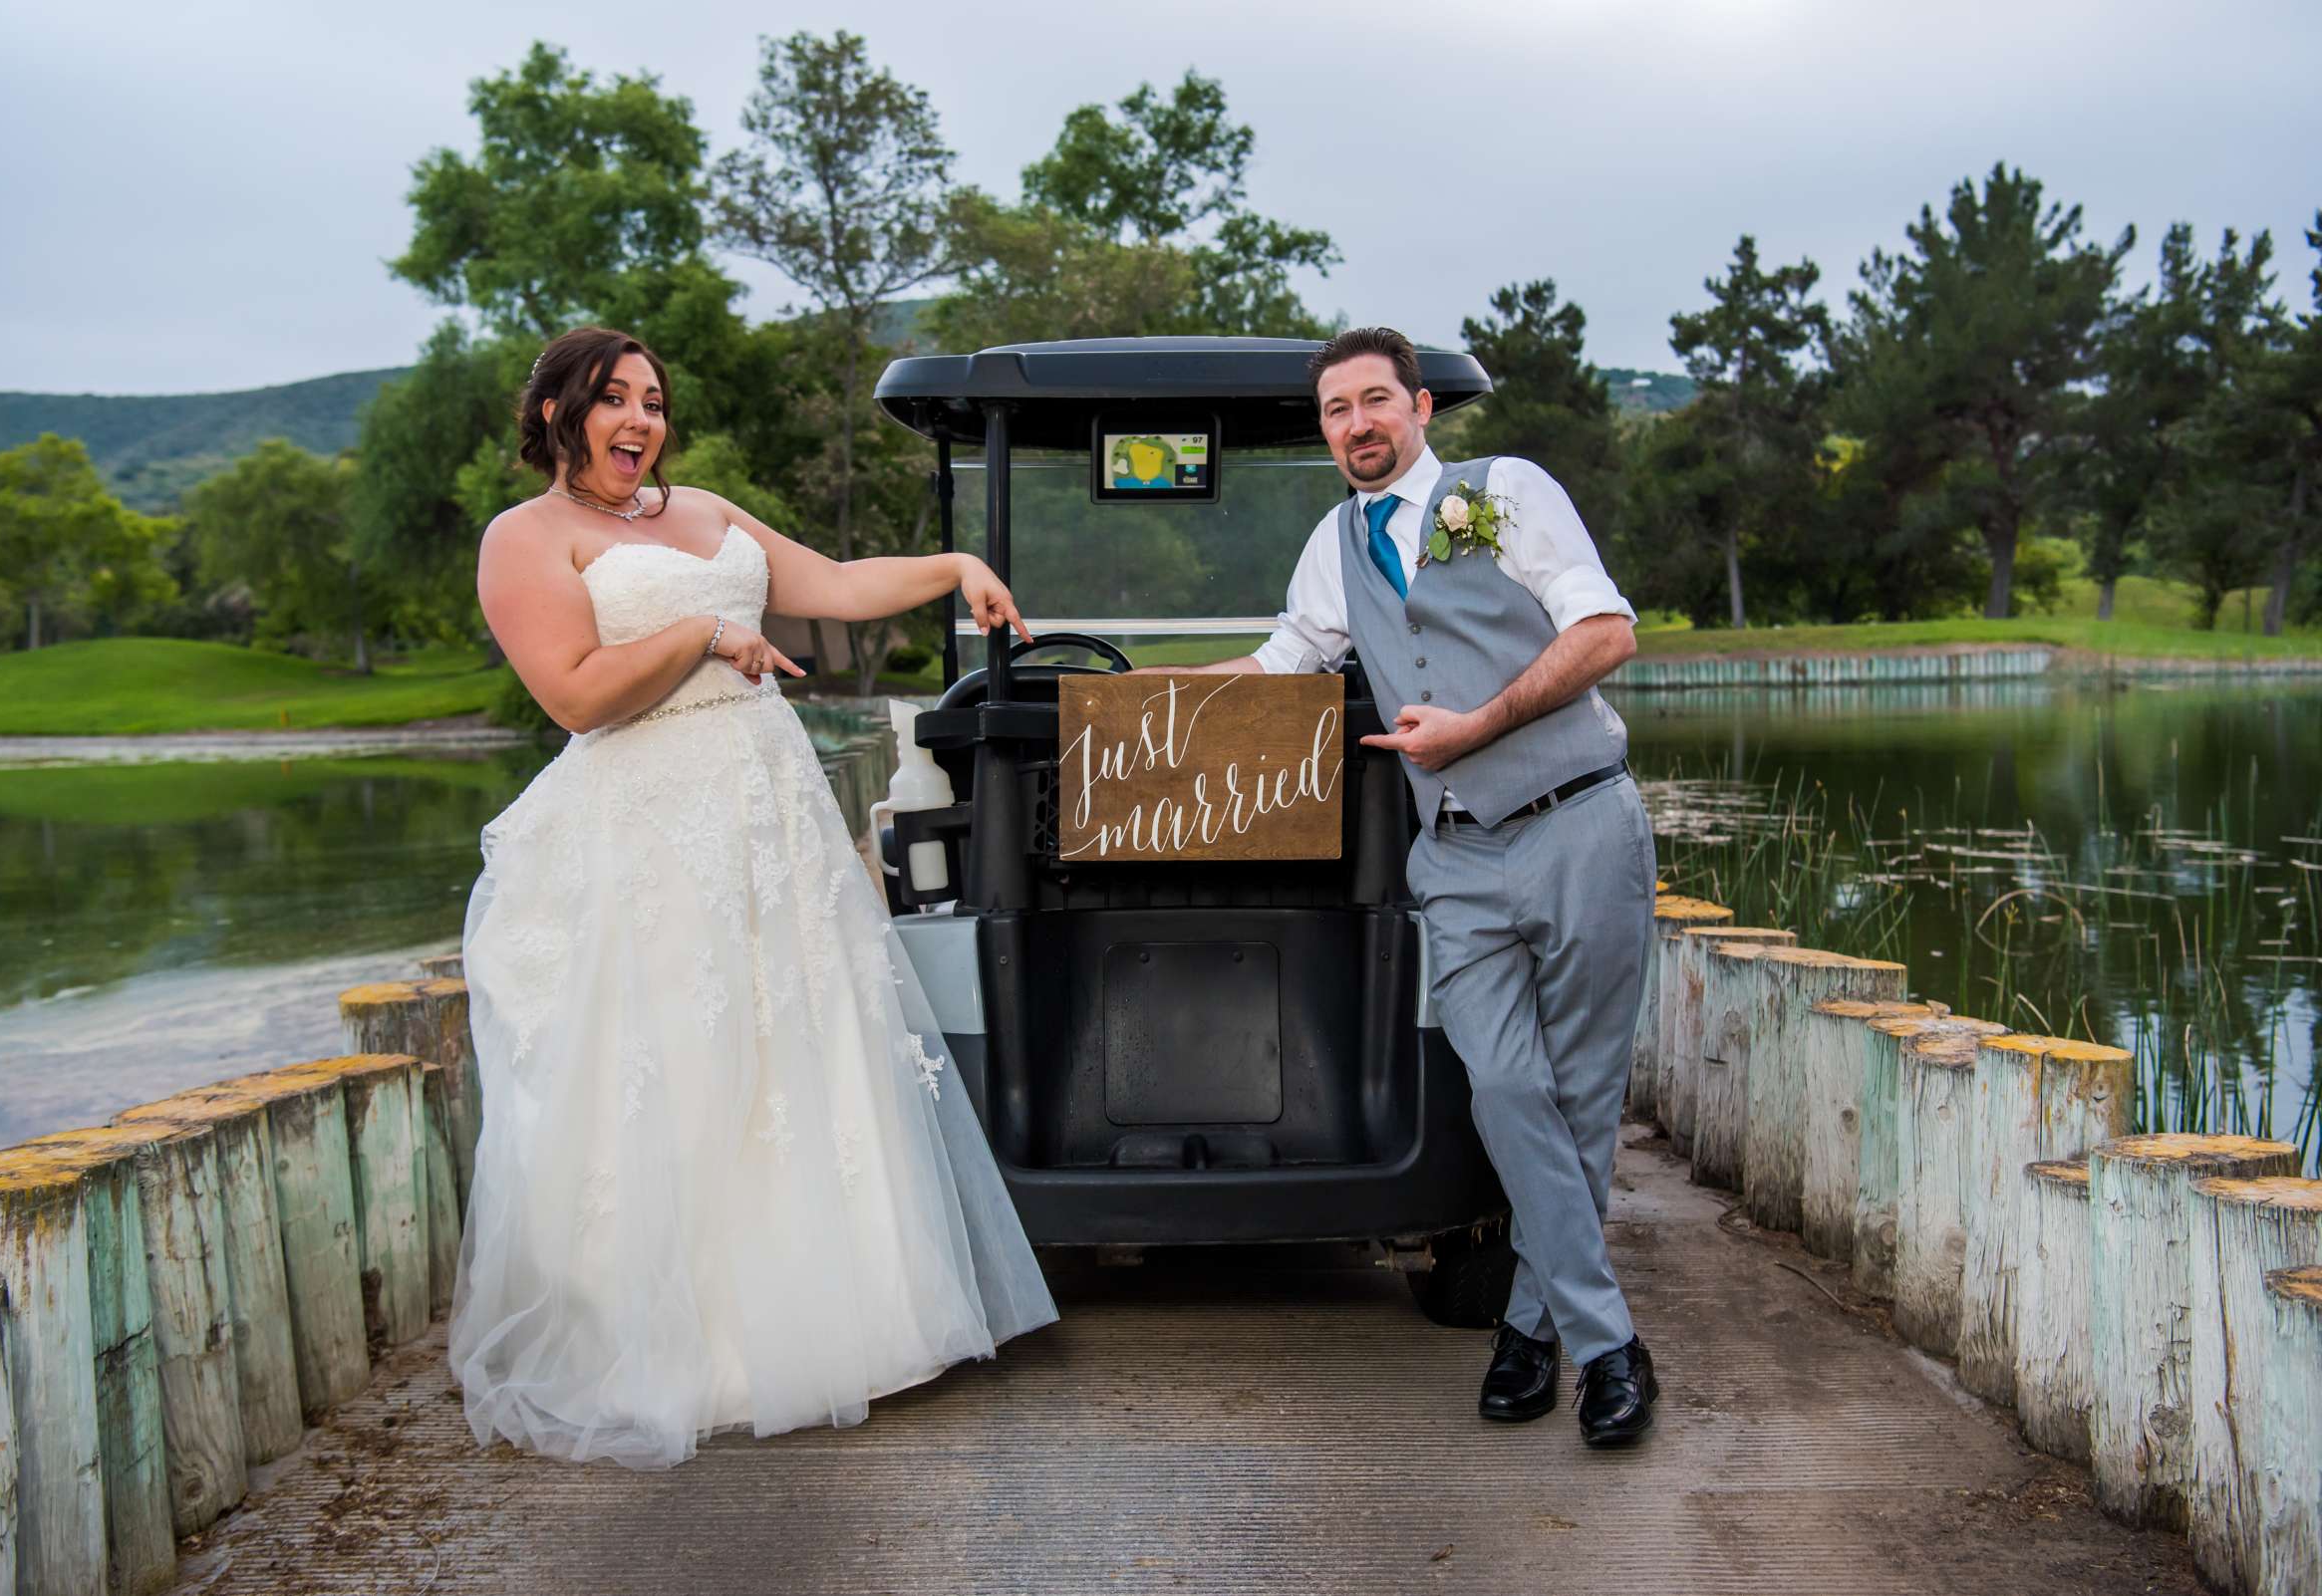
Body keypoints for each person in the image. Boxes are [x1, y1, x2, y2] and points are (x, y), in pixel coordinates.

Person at [449, 326, 1055, 1469]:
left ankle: (849, 1325)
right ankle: (702, 1355)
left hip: (765, 820)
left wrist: (954, 568)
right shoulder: (522, 540)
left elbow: (825, 585)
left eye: (655, 401)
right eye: (614, 400)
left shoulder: (708, 508)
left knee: (802, 1054)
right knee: (684, 1061)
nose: (641, 421)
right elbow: (577, 699)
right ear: (556, 417)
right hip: (649, 832)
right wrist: (699, 632)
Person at [1166, 327, 1660, 1447]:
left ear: (1421, 408)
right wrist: (1141, 703)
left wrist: (1481, 723)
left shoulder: (1508, 492)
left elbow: (1605, 631)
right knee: (1506, 1089)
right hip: (1456, 858)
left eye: (1376, 401)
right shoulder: (1332, 545)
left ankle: (1541, 1333)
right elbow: (1282, 663)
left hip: (1581, 822)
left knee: (1581, 1096)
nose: (1358, 425)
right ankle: (1608, 1344)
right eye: (1338, 411)